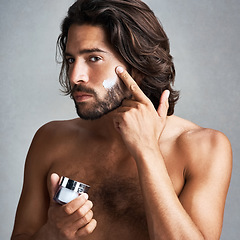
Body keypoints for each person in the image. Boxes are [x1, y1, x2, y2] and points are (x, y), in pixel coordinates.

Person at [11, 0, 232, 239]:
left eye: (94, 58)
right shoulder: (50, 140)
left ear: (136, 65)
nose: (75, 76)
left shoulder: (204, 147)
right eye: (71, 60)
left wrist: (147, 151)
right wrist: (52, 234)